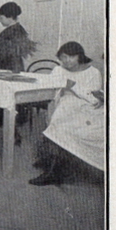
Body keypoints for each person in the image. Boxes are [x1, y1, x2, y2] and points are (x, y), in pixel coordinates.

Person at [29, 42, 104, 186]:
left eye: (71, 56)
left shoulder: (93, 72)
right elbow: (50, 89)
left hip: (86, 108)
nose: (67, 61)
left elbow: (95, 99)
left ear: (80, 56)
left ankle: (56, 166)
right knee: (60, 118)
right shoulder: (58, 70)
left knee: (66, 123)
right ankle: (52, 165)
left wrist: (72, 85)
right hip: (64, 105)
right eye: (63, 57)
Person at [0, 2, 37, 72]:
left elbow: (7, 52)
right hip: (13, 66)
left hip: (8, 67)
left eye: (1, 18)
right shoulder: (18, 29)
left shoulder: (13, 31)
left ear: (10, 17)